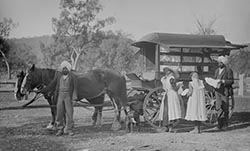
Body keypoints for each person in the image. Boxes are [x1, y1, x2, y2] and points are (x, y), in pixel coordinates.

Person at [40, 60, 78, 136]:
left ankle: (69, 129)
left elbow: (75, 88)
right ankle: (60, 129)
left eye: (66, 68)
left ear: (68, 69)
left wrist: (74, 98)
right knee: (59, 113)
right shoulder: (58, 76)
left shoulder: (72, 77)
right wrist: (43, 90)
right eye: (63, 68)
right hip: (60, 96)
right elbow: (52, 84)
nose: (64, 70)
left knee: (69, 113)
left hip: (68, 96)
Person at [159, 67, 183, 132]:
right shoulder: (171, 79)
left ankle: (166, 127)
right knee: (172, 110)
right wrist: (179, 85)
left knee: (166, 110)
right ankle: (170, 127)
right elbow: (174, 88)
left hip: (167, 94)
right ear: (170, 73)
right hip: (172, 95)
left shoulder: (164, 79)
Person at [214, 55, 234, 130]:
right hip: (217, 91)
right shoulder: (216, 70)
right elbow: (215, 79)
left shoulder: (228, 70)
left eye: (220, 63)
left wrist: (223, 81)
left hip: (224, 91)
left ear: (224, 63)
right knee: (218, 107)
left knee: (225, 107)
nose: (219, 64)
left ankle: (225, 124)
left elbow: (231, 81)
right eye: (218, 62)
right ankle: (219, 124)